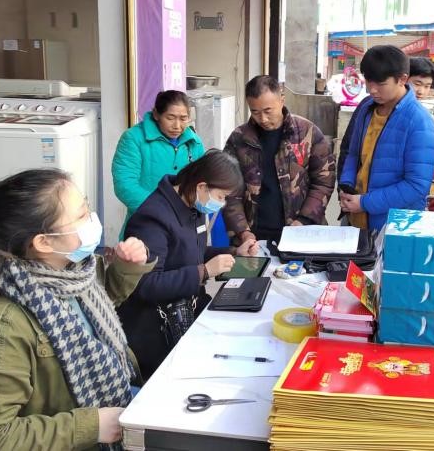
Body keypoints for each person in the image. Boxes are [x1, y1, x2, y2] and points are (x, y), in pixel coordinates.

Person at [0, 169, 154, 449]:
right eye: (81, 215)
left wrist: (126, 268)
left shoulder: (71, 272)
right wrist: (92, 426)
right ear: (43, 242)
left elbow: (90, 316)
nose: (92, 219)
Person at [117, 151, 258, 379]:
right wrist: (205, 272)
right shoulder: (153, 218)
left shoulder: (192, 204)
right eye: (221, 197)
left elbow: (190, 253)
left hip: (188, 311)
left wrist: (234, 252)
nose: (222, 204)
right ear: (202, 186)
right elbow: (145, 284)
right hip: (157, 331)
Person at [222, 76, 336, 247]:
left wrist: (304, 220)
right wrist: (242, 231)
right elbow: (228, 189)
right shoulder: (239, 139)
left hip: (302, 231)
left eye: (268, 111)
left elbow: (324, 181)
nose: (263, 119)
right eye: (255, 112)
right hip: (253, 236)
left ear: (282, 100)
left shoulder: (307, 132)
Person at [338, 45, 434, 232]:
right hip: (355, 217)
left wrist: (365, 202)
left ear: (402, 79)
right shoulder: (367, 108)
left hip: (393, 227)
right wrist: (346, 185)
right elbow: (353, 154)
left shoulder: (419, 121)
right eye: (369, 81)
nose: (372, 90)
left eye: (381, 84)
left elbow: (417, 186)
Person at [112, 90, 205, 227]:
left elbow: (202, 181)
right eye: (170, 118)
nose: (177, 126)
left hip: (185, 222)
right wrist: (161, 210)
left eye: (183, 119)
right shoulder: (134, 138)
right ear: (156, 114)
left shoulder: (194, 142)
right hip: (146, 222)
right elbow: (125, 185)